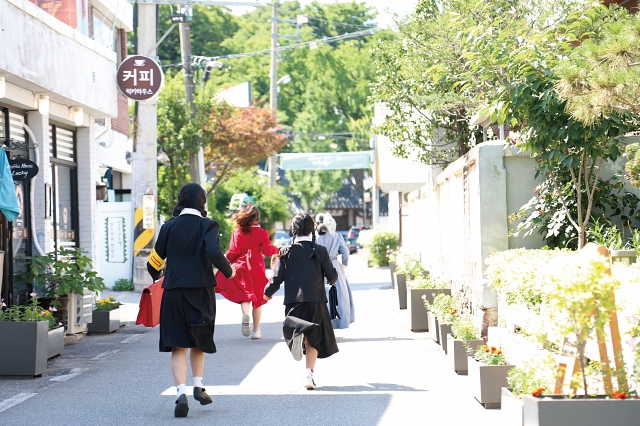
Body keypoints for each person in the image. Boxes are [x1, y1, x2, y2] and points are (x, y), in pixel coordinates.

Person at [147, 183, 235, 418]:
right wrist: (229, 272)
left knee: (178, 344)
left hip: (173, 292)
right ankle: (198, 386)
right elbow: (215, 253)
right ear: (201, 201)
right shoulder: (208, 225)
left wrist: (159, 277)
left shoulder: (168, 227)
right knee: (199, 341)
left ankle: (180, 394)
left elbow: (154, 262)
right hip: (201, 291)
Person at [264, 213, 338, 390]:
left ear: (293, 230)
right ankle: (308, 375)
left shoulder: (286, 252)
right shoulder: (320, 251)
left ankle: (297, 334)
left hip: (293, 303)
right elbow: (332, 276)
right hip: (316, 301)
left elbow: (277, 278)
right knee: (313, 339)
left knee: (297, 327)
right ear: (312, 230)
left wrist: (267, 293)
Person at [215, 203, 280, 339]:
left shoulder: (237, 232)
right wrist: (277, 250)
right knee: (257, 299)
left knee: (245, 295)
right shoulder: (262, 232)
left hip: (241, 267)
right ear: (256, 217)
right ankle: (256, 331)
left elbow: (233, 251)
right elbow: (267, 251)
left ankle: (245, 314)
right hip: (256, 267)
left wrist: (225, 260)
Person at [315, 212, 355, 329]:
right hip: (335, 266)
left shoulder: (315, 237)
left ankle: (323, 325)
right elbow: (345, 252)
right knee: (340, 295)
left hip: (319, 268)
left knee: (322, 296)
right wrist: (344, 264)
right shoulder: (336, 236)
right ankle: (339, 322)